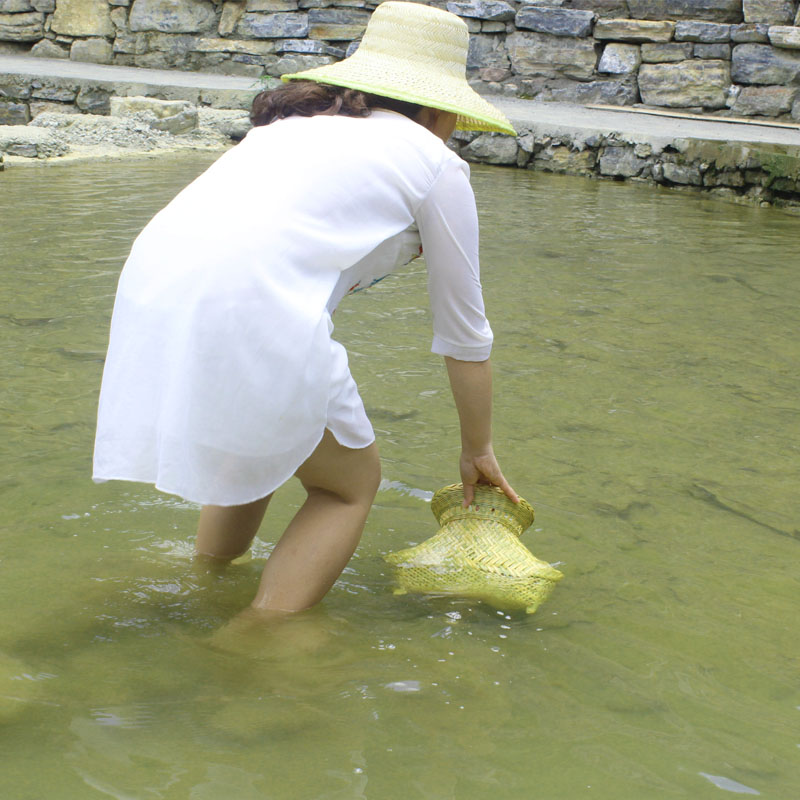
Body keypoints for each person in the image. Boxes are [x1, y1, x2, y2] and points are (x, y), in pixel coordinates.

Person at [93, 1, 518, 614]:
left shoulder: (291, 126)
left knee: (257, 446)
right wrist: (476, 451)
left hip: (153, 284)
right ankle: (260, 639)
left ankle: (205, 585)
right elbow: (465, 336)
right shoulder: (435, 164)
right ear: (443, 106)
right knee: (348, 486)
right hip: (248, 303)